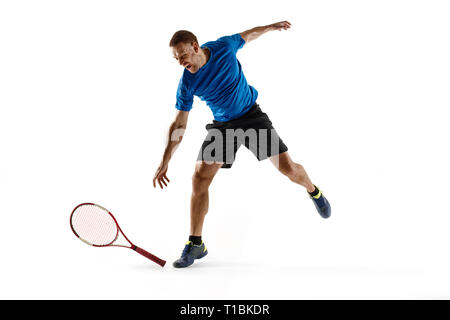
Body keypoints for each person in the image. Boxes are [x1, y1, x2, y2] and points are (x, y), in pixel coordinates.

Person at [153, 21, 331, 268]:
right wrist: (165, 160)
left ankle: (314, 190)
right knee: (199, 177)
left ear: (195, 47)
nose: (182, 62)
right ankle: (196, 243)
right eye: (176, 59)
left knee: (288, 169)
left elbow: (248, 35)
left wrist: (271, 27)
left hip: (251, 117)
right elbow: (179, 125)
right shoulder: (187, 83)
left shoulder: (224, 47)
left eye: (183, 55)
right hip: (224, 126)